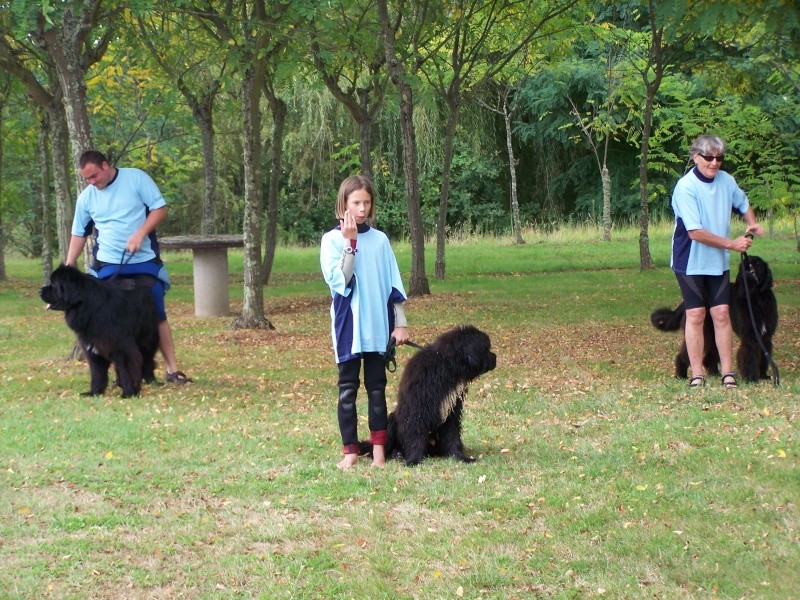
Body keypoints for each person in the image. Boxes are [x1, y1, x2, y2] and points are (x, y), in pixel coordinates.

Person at [66, 149, 192, 385]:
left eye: (94, 176)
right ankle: (122, 373)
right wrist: (68, 266)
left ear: (105, 165)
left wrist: (140, 233)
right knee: (105, 319)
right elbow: (78, 233)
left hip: (144, 261)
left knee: (156, 313)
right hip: (107, 265)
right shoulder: (87, 198)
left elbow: (160, 208)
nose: (92, 182)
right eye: (87, 179)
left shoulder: (136, 178)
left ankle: (173, 370)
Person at [320, 175, 409, 469]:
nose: (362, 208)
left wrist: (401, 323)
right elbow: (340, 280)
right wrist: (350, 243)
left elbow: (393, 285)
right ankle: (351, 451)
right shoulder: (331, 240)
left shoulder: (381, 240)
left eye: (366, 202)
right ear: (343, 203)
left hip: (377, 328)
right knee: (347, 389)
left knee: (376, 388)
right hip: (348, 328)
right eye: (356, 202)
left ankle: (379, 451)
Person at [670, 134, 764, 388]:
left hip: (717, 261)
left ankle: (728, 373)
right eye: (708, 157)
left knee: (722, 313)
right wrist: (732, 244)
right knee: (697, 314)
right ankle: (697, 374)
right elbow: (695, 232)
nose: (714, 163)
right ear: (695, 156)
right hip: (690, 260)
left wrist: (752, 223)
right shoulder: (686, 187)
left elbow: (743, 203)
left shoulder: (726, 181)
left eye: (719, 158)